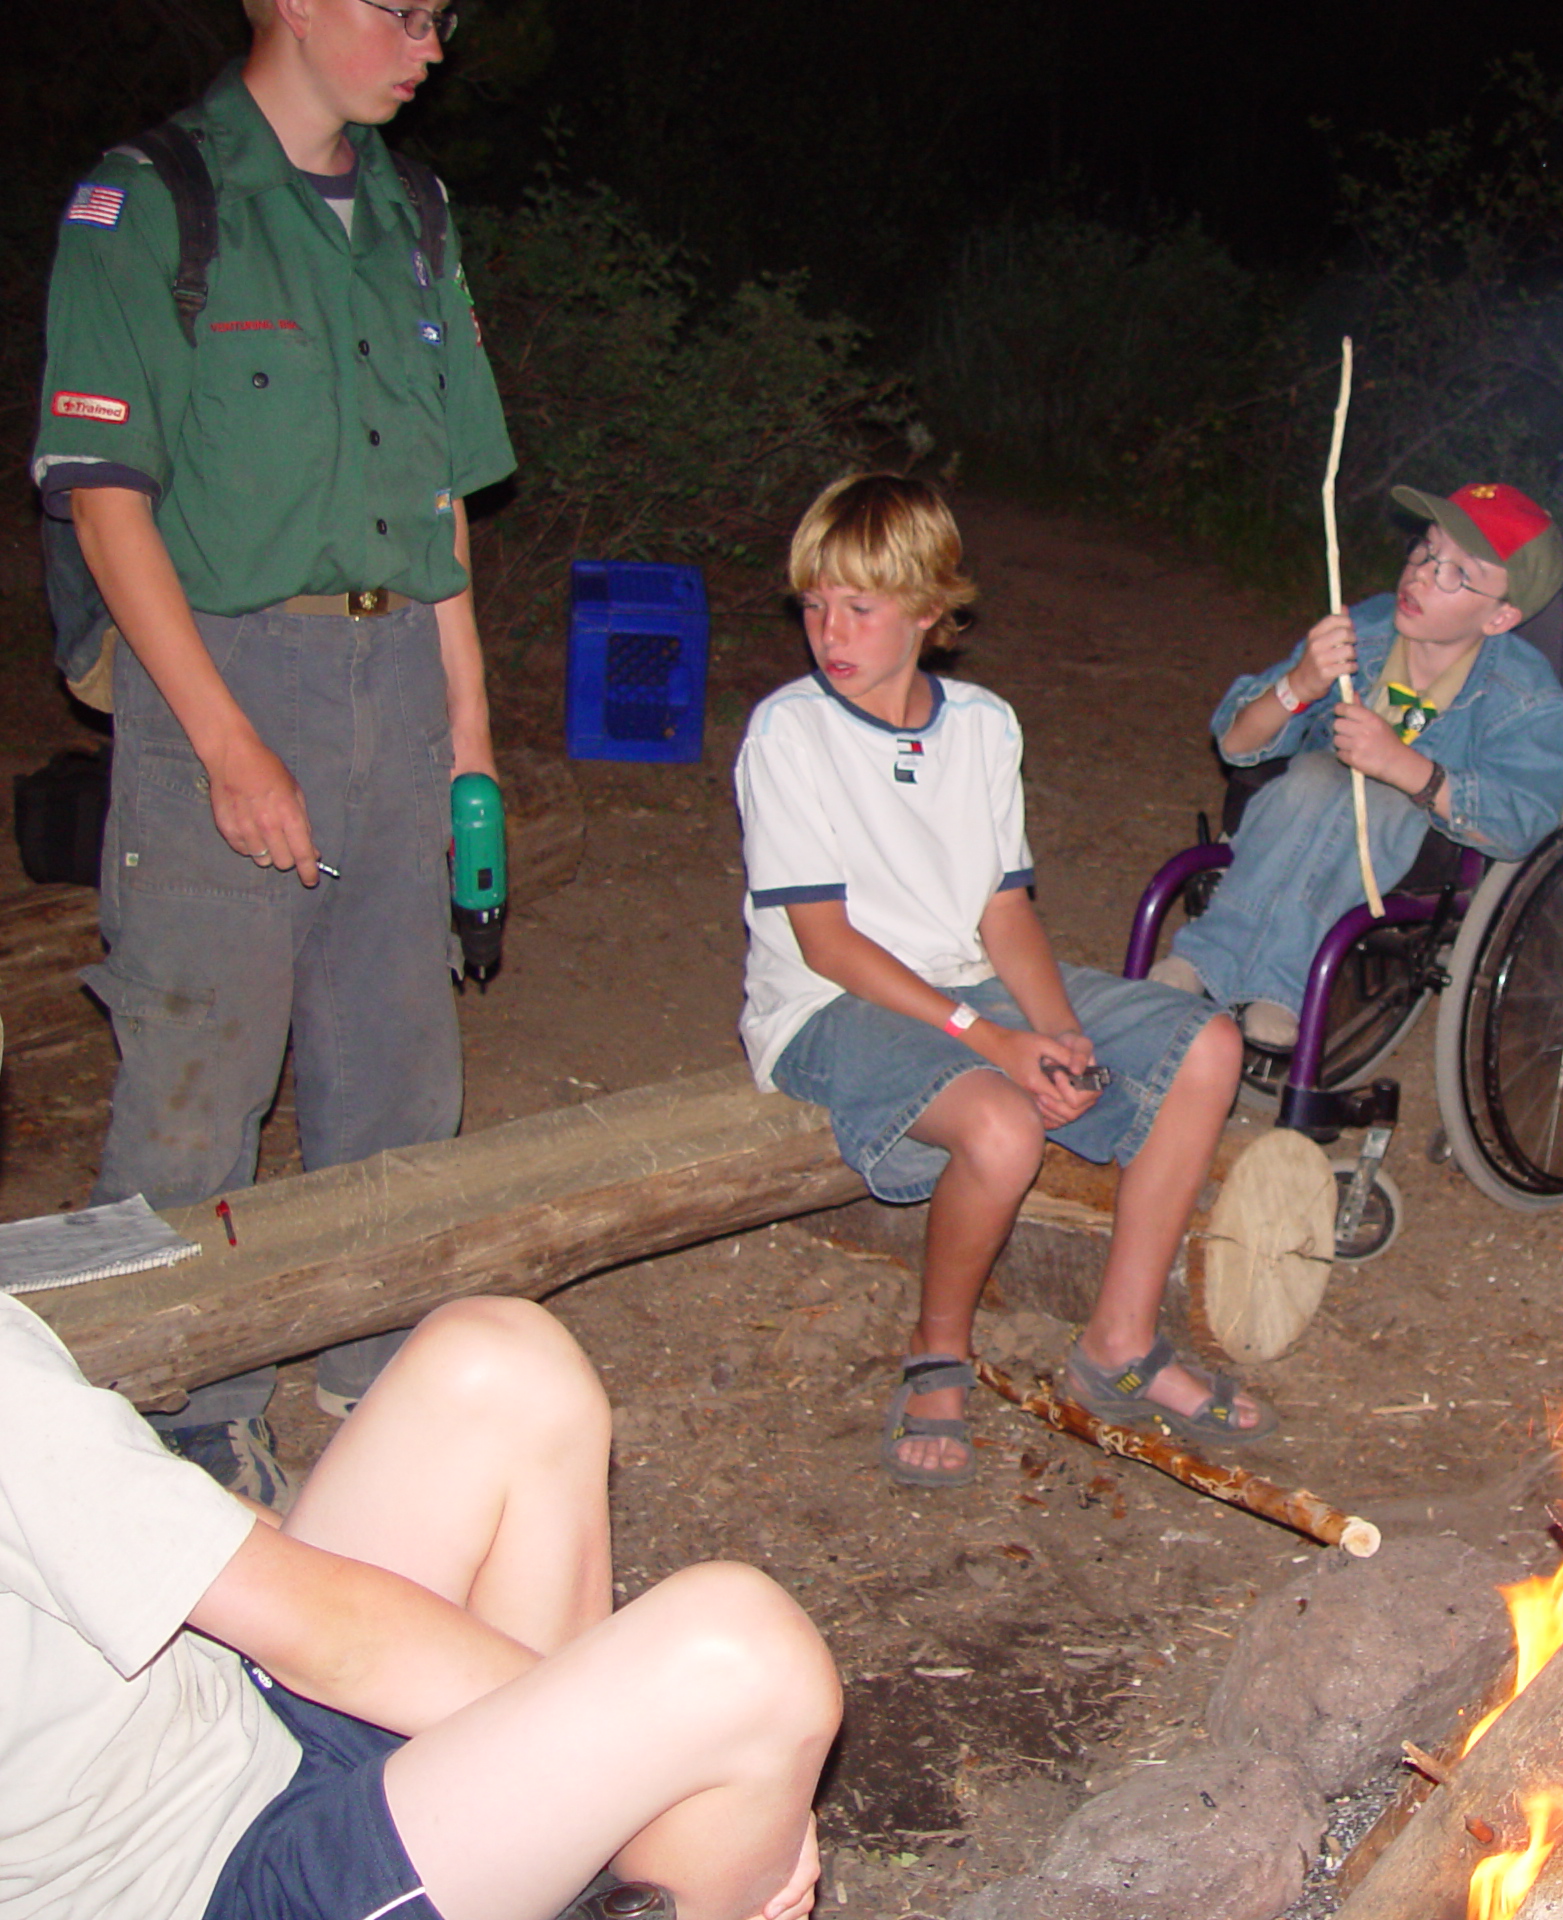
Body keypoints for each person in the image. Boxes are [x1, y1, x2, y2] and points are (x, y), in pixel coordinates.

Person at [30, 0, 517, 1495]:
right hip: (221, 672)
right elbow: (106, 502)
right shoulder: (151, 204)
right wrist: (227, 743)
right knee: (199, 1089)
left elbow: (440, 510)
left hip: (396, 670)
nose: (430, 41)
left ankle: (385, 1401)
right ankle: (179, 1428)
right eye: (402, 8)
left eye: (444, 15)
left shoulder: (415, 217)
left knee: (396, 1085)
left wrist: (470, 744)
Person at [734, 473, 1263, 1487]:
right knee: (1002, 1123)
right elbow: (827, 944)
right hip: (829, 1006)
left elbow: (1003, 909)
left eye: (859, 605)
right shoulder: (790, 734)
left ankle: (1120, 1342)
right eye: (813, 604)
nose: (827, 631)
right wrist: (996, 1048)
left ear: (931, 611)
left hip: (966, 977)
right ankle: (938, 1351)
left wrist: (1058, 1034)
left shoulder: (981, 725)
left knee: (1208, 1044)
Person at [0, 1287, 841, 1920]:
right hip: (193, 1878)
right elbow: (336, 1641)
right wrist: (660, 1770)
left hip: (229, 1718)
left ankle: (542, 1856)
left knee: (501, 1359)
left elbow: (149, 1524)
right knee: (741, 1663)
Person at [1150, 482, 1563, 1050]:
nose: (1421, 573)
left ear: (1500, 617)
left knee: (1374, 797)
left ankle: (1276, 981)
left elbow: (1525, 819)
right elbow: (1235, 743)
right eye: (1426, 548)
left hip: (1425, 843)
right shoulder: (1366, 629)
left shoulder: (1525, 695)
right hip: (1306, 808)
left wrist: (1406, 767)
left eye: (1455, 572)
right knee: (1318, 776)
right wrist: (1299, 685)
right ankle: (1210, 958)